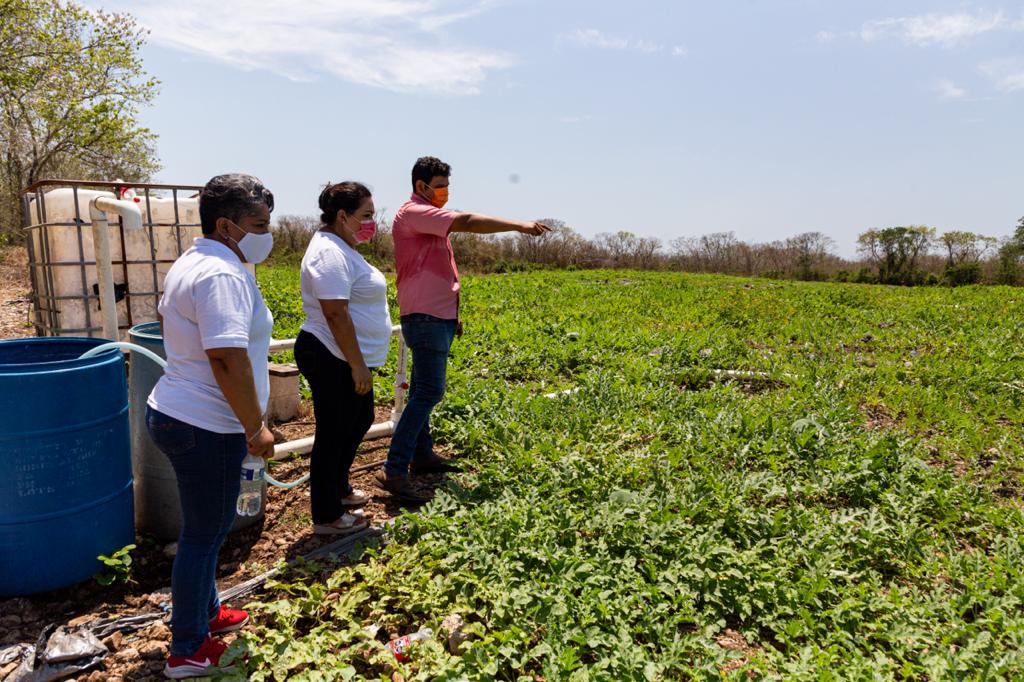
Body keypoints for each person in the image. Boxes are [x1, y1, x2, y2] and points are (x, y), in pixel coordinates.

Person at [145, 174, 276, 679]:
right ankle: (187, 650)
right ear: (226, 225)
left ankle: (206, 611)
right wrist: (255, 427)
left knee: (206, 526)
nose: (267, 234)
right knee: (205, 534)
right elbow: (226, 358)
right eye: (258, 225)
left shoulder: (196, 260)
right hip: (208, 425)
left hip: (181, 413)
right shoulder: (221, 274)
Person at [375, 156, 551, 501]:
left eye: (446, 185)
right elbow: (467, 220)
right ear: (421, 186)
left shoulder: (428, 220)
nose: (444, 192)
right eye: (439, 185)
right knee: (429, 392)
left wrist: (452, 315)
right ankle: (394, 469)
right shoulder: (414, 213)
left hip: (435, 316)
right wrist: (518, 225)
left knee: (421, 391)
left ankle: (421, 455)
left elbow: (439, 269)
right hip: (424, 317)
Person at [294, 181, 391, 535]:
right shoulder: (328, 252)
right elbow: (335, 313)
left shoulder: (342, 246)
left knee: (358, 420)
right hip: (331, 354)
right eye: (365, 215)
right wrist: (357, 364)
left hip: (344, 356)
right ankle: (327, 515)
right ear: (342, 216)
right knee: (334, 433)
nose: (371, 223)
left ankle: (339, 488)